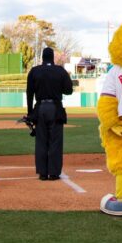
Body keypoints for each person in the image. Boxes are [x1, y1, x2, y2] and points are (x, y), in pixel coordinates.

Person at [26, 47, 73, 180]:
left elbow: (29, 93)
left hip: (40, 107)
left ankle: (42, 173)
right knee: (55, 141)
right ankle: (53, 173)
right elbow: (69, 90)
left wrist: (30, 113)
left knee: (41, 141)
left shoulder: (34, 71)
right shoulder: (60, 71)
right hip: (55, 108)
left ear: (42, 57)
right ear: (53, 57)